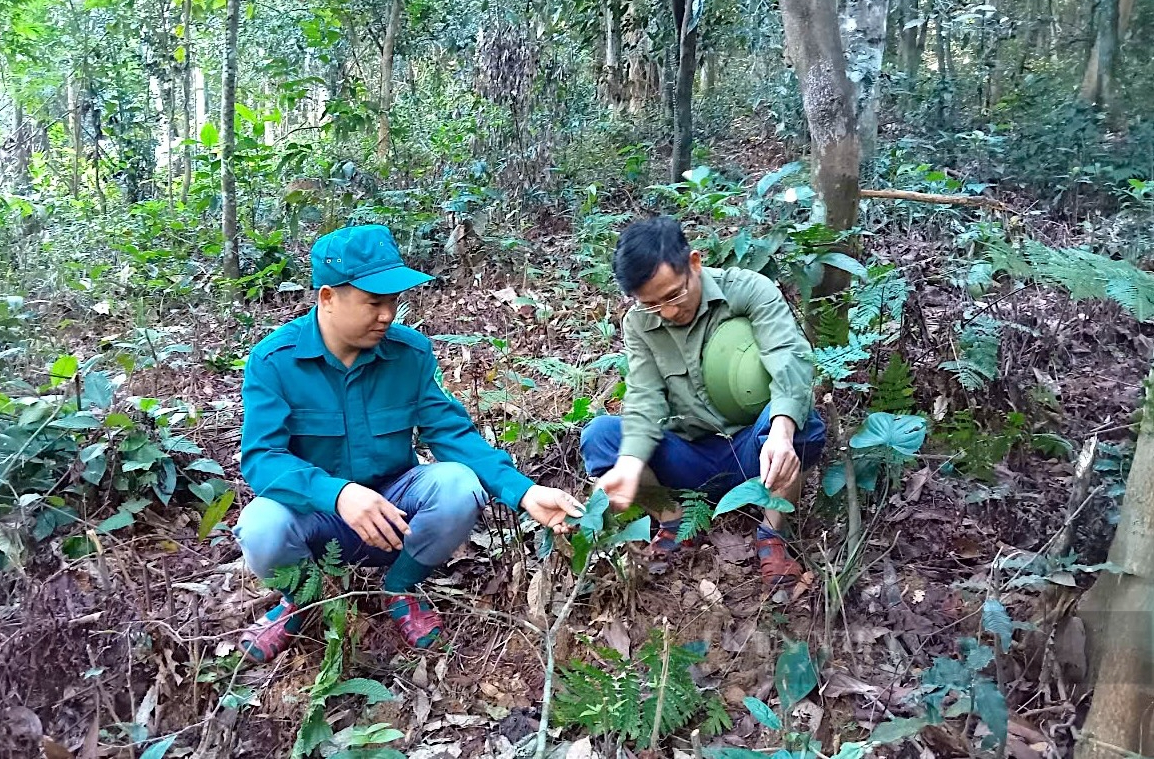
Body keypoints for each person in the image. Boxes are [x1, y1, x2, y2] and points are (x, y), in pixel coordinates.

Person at [234, 224, 583, 662]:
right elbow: (262, 459)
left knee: (459, 485)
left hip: (394, 511)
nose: (387, 315)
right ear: (327, 297)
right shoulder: (274, 361)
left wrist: (525, 491)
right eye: (373, 302)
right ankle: (302, 598)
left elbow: (450, 433)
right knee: (259, 527)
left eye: (393, 301)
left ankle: (398, 587)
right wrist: (337, 493)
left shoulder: (409, 354)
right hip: (315, 516)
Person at [580, 216, 826, 590]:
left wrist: (781, 430)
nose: (665, 312)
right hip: (689, 456)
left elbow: (788, 360)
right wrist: (629, 465)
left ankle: (772, 533)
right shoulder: (638, 324)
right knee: (601, 436)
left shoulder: (749, 290)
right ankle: (674, 521)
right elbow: (644, 398)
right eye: (650, 304)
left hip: (753, 449)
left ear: (694, 263)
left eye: (673, 295)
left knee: (804, 425)